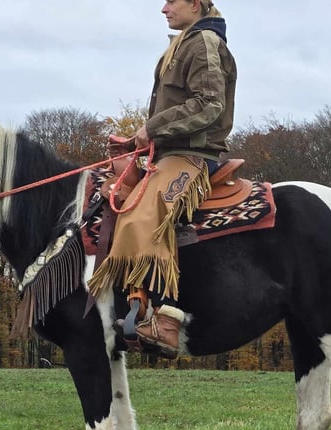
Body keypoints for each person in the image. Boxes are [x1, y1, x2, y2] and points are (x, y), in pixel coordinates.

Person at [88, 0, 237, 359]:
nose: (164, 8)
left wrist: (151, 129)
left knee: (144, 212)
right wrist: (139, 141)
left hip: (193, 155)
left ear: (196, 4)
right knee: (111, 191)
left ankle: (167, 320)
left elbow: (209, 104)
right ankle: (125, 302)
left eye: (172, 1)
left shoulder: (204, 43)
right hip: (167, 150)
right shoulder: (183, 41)